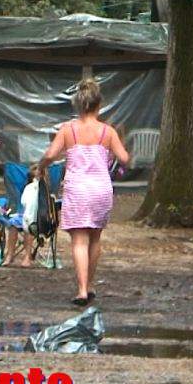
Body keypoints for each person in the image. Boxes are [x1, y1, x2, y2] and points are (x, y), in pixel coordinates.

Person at [38, 79, 130, 306]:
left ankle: (80, 290)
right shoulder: (107, 132)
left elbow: (50, 155)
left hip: (77, 189)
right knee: (95, 238)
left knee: (79, 240)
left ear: (78, 105)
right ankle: (89, 285)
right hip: (100, 189)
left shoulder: (68, 130)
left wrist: (40, 166)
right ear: (99, 105)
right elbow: (125, 158)